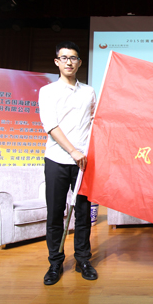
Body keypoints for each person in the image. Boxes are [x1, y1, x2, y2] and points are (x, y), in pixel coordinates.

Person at [38, 41, 97, 286]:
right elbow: (50, 125)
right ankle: (55, 262)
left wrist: (85, 152)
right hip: (57, 159)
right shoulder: (47, 91)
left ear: (80, 62)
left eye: (73, 58)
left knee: (83, 213)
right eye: (64, 58)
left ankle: (83, 259)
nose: (69, 62)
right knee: (55, 213)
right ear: (57, 62)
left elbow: (94, 122)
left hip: (84, 162)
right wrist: (72, 150)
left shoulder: (89, 92)